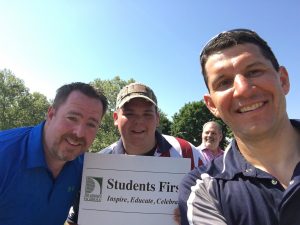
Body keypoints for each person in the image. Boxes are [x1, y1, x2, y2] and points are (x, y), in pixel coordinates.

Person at [178, 28, 300, 225]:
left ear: (283, 80)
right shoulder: (203, 188)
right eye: (224, 82)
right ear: (211, 105)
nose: (243, 90)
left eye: (254, 71)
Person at [67, 82, 205, 225]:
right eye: (129, 113)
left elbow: (213, 209)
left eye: (147, 114)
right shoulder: (99, 164)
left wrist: (194, 217)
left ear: (157, 118)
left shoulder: (187, 152)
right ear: (115, 118)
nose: (139, 121)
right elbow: (75, 220)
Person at [0, 82, 108, 225]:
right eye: (72, 118)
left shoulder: (86, 168)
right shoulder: (4, 154)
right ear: (51, 114)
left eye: (91, 124)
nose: (79, 132)